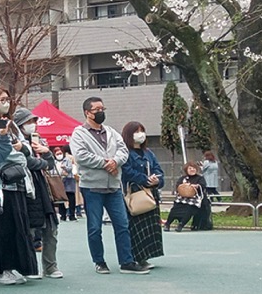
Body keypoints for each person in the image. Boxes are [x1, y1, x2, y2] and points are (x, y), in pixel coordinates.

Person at [69, 97, 149, 274]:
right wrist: (106, 163)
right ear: (87, 113)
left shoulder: (112, 132)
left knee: (122, 225)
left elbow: (123, 151)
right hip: (92, 187)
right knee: (94, 227)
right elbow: (81, 156)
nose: (101, 112)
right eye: (96, 109)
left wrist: (115, 161)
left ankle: (126, 261)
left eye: (102, 109)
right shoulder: (79, 133)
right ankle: (99, 261)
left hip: (113, 187)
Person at [0, 89, 38, 285]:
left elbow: (26, 148)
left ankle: (14, 266)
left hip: (18, 180)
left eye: (7, 99)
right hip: (1, 181)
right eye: (2, 100)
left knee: (17, 226)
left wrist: (22, 149)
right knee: (2, 227)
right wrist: (18, 149)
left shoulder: (11, 123)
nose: (6, 103)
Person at [19, 110, 62, 280]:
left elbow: (50, 164)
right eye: (28, 122)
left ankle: (50, 266)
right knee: (29, 230)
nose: (32, 125)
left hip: (44, 190)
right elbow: (28, 163)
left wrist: (46, 152)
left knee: (51, 229)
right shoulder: (17, 142)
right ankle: (30, 267)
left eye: (33, 121)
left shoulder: (39, 141)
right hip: (26, 190)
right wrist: (43, 162)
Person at [120, 122, 164, 270]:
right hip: (135, 193)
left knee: (150, 227)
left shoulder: (148, 153)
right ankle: (135, 257)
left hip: (151, 193)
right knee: (136, 226)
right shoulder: (125, 153)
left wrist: (157, 180)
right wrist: (145, 179)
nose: (140, 134)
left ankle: (146, 256)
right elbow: (127, 172)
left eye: (142, 131)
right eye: (136, 131)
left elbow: (158, 169)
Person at [166, 162, 207, 232]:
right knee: (175, 208)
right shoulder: (183, 178)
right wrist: (184, 186)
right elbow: (178, 186)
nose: (192, 170)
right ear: (186, 170)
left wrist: (196, 186)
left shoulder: (200, 178)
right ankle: (167, 224)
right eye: (190, 168)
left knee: (189, 209)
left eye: (194, 168)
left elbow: (203, 186)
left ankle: (181, 225)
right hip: (182, 197)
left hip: (194, 198)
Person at [56, 146, 78, 221]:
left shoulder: (67, 159)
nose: (59, 155)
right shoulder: (55, 161)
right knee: (61, 199)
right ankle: (63, 215)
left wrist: (64, 167)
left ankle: (72, 215)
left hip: (69, 180)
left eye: (60, 153)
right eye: (57, 154)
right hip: (59, 181)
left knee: (71, 198)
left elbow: (70, 168)